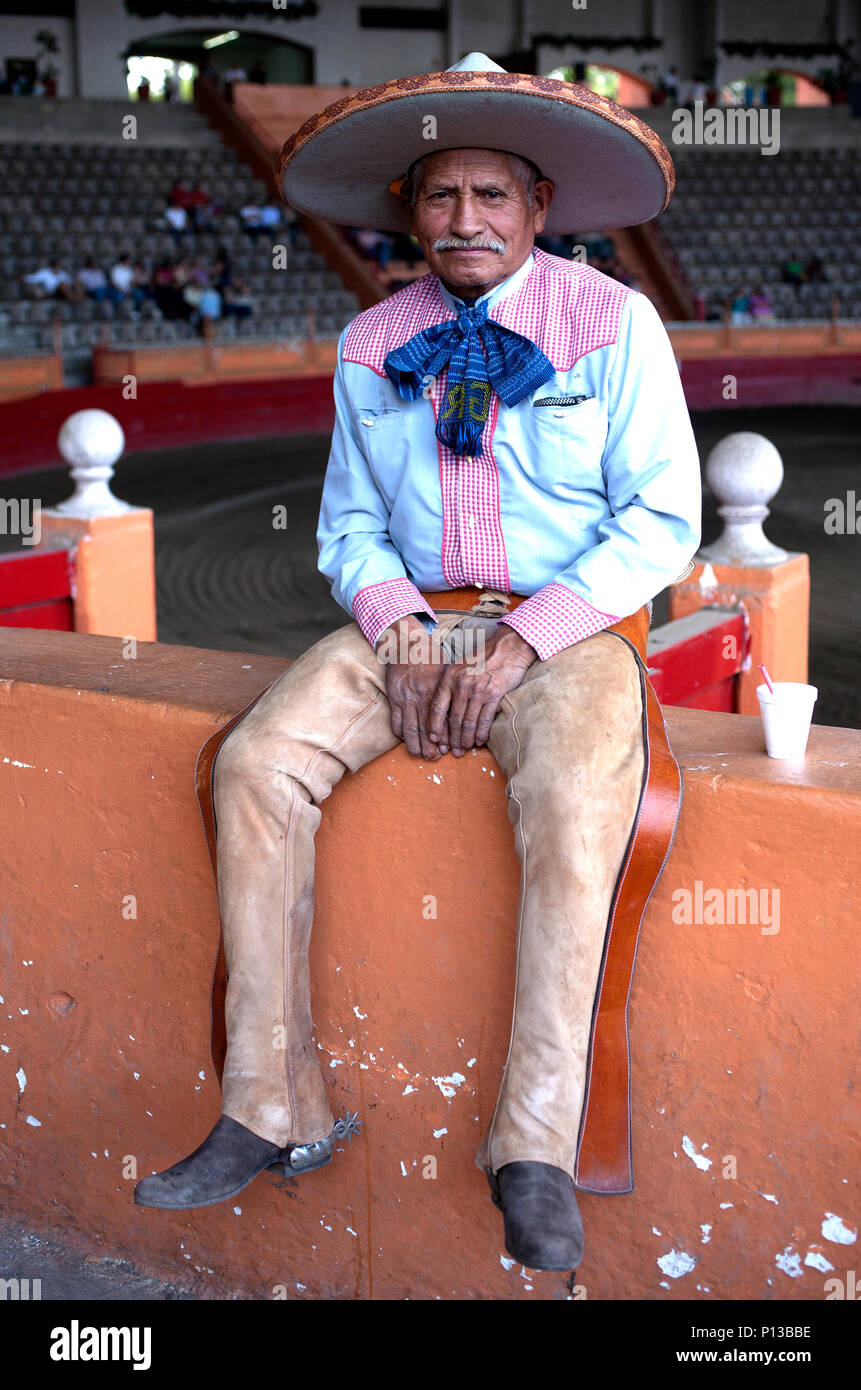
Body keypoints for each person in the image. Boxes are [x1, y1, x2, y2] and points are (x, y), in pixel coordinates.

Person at [135, 52, 700, 1275]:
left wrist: (521, 641)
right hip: (408, 619)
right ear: (409, 214)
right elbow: (347, 527)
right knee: (254, 762)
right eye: (441, 197)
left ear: (540, 208)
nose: (467, 220)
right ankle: (266, 1102)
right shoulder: (369, 343)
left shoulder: (616, 326)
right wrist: (396, 631)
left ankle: (534, 1147)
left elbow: (662, 521)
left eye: (494, 195)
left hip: (567, 630)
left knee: (576, 797)